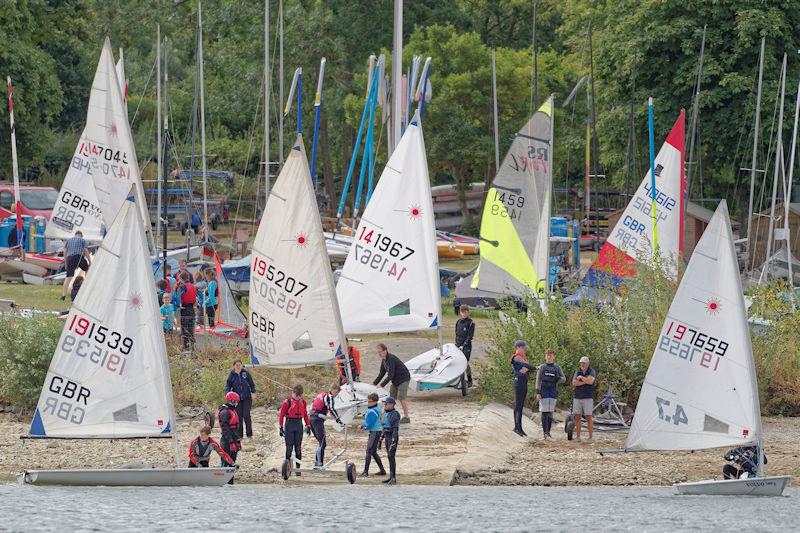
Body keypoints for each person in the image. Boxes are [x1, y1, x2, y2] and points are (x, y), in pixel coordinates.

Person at [372, 343, 412, 423]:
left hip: (403, 378)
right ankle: (387, 415)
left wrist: (382, 385)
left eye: (380, 351)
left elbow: (390, 375)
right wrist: (374, 384)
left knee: (401, 398)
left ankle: (407, 417)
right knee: (390, 398)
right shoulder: (384, 360)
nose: (379, 353)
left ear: (385, 351)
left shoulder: (391, 359)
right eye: (378, 352)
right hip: (395, 380)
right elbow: (381, 373)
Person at [278, 384, 311, 476]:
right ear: (293, 393)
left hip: (299, 425)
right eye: (296, 396)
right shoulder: (287, 402)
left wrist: (308, 426)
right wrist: (280, 427)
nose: (297, 398)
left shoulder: (303, 402)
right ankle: (287, 469)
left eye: (299, 396)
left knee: (298, 448)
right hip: (289, 425)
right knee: (289, 448)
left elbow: (305, 415)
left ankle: (297, 469)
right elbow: (281, 415)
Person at [309, 383, 344, 467]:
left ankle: (318, 462)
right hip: (317, 420)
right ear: (333, 390)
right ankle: (319, 464)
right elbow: (331, 409)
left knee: (320, 443)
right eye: (336, 393)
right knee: (322, 443)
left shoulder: (321, 395)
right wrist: (338, 420)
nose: (336, 395)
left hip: (311, 419)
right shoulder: (329, 397)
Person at [535, 349, 566, 439]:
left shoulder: (557, 367)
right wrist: (537, 392)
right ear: (545, 356)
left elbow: (564, 379)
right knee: (544, 412)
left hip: (553, 391)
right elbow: (538, 380)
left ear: (553, 357)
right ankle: (545, 433)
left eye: (551, 355)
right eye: (547, 355)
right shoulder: (542, 367)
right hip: (543, 391)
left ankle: (548, 432)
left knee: (550, 412)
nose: (549, 357)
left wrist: (558, 378)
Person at [225, 360, 256, 439]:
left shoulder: (245, 373)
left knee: (246, 415)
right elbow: (228, 385)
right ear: (234, 366)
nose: (238, 366)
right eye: (236, 365)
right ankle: (240, 435)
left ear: (242, 365)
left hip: (247, 397)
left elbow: (252, 384)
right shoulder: (232, 375)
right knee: (238, 417)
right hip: (236, 399)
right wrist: (227, 394)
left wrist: (253, 392)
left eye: (239, 365)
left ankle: (249, 434)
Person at [358, 392, 386, 478]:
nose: (368, 403)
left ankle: (365, 472)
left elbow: (370, 424)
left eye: (370, 401)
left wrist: (362, 426)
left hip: (375, 432)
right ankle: (382, 470)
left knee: (369, 451)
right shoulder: (376, 408)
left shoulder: (373, 410)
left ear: (375, 401)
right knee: (373, 452)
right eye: (368, 401)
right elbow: (368, 416)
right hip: (376, 431)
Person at [511, 340, 535, 437]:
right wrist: (534, 368)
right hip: (518, 382)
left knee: (520, 405)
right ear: (518, 347)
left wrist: (528, 369)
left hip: (523, 382)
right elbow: (526, 366)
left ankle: (519, 427)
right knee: (518, 405)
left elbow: (526, 368)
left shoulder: (522, 358)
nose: (524, 350)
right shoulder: (516, 357)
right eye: (523, 348)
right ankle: (517, 427)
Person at [572, 356, 597, 444]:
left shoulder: (592, 371)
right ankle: (578, 437)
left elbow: (591, 381)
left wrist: (581, 378)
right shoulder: (577, 371)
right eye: (581, 363)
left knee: (588, 417)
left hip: (588, 397)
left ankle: (590, 437)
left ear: (588, 364)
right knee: (577, 417)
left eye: (584, 363)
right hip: (577, 397)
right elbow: (574, 383)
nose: (582, 364)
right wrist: (585, 381)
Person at [217, 392, 242, 483]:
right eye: (236, 402)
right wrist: (231, 442)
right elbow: (225, 429)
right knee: (225, 464)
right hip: (226, 442)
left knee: (232, 464)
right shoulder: (224, 412)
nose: (236, 404)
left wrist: (237, 441)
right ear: (232, 401)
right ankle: (222, 483)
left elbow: (235, 429)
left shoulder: (232, 410)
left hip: (233, 441)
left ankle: (231, 485)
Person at [61, 231, 91, 300]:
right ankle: (86, 286)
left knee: (69, 277)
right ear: (81, 235)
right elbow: (85, 251)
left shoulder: (68, 240)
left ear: (75, 235)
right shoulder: (82, 240)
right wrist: (89, 261)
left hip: (70, 258)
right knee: (86, 269)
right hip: (79, 257)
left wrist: (66, 262)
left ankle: (63, 295)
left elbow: (65, 252)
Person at [381, 396, 401, 485]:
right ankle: (391, 477)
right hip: (387, 436)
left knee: (391, 456)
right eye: (384, 404)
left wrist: (393, 441)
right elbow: (384, 428)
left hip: (392, 436)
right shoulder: (386, 413)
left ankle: (393, 478)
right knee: (389, 457)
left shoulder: (394, 414)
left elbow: (395, 429)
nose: (385, 405)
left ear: (392, 405)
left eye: (386, 404)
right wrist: (381, 439)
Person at [455, 304, 475, 387]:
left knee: (465, 363)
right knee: (457, 363)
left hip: (466, 346)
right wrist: (456, 344)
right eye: (462, 312)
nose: (464, 314)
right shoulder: (458, 322)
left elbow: (470, 336)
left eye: (466, 312)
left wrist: (464, 345)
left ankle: (469, 379)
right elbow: (456, 334)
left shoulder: (471, 323)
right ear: (460, 313)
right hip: (458, 344)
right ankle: (458, 380)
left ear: (468, 312)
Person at [176, 271, 197, 352]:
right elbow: (196, 297)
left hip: (184, 309)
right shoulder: (194, 286)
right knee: (191, 330)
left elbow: (178, 297)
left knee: (184, 330)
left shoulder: (182, 287)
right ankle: (193, 348)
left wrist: (179, 305)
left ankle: (186, 349)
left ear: (181, 279)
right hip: (192, 309)